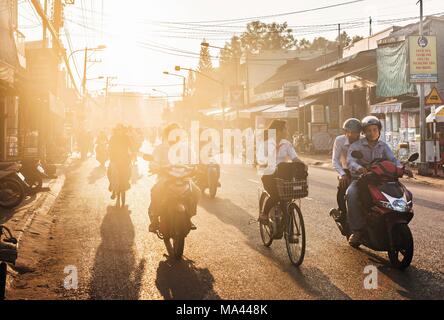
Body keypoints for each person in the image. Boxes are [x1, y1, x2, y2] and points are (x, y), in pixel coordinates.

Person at [346, 116, 403, 248]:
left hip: (379, 180)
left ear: (379, 130)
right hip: (360, 180)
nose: (372, 133)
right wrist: (359, 168)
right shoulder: (357, 146)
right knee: (351, 194)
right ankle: (357, 230)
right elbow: (350, 161)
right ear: (364, 132)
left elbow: (393, 160)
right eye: (368, 130)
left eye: (374, 129)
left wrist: (401, 168)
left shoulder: (383, 146)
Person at [148, 123, 198, 233]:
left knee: (196, 191)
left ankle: (189, 217)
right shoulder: (161, 148)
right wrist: (155, 166)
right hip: (165, 177)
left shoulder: (186, 147)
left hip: (184, 177)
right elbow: (153, 161)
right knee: (155, 191)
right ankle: (155, 219)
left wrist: (194, 167)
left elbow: (193, 160)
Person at [257, 120, 305, 222]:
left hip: (283, 175)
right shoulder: (265, 144)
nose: (287, 131)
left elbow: (295, 158)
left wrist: (303, 164)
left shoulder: (287, 144)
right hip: (269, 175)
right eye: (285, 129)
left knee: (288, 196)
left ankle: (286, 221)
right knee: (276, 196)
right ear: (278, 131)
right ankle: (264, 214)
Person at [329, 118, 362, 218]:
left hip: (361, 170)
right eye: (349, 132)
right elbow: (335, 160)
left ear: (359, 133)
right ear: (345, 132)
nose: (352, 135)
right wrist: (342, 174)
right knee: (342, 189)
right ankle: (343, 213)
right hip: (346, 171)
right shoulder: (339, 140)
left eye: (355, 132)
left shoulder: (363, 140)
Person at [107, 125, 132, 200]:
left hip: (125, 160)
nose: (119, 131)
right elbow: (109, 148)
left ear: (123, 130)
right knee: (110, 172)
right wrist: (110, 155)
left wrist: (133, 153)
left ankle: (126, 183)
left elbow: (131, 147)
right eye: (118, 129)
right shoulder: (112, 138)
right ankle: (112, 186)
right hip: (114, 159)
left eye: (121, 129)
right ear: (116, 130)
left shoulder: (126, 138)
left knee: (129, 172)